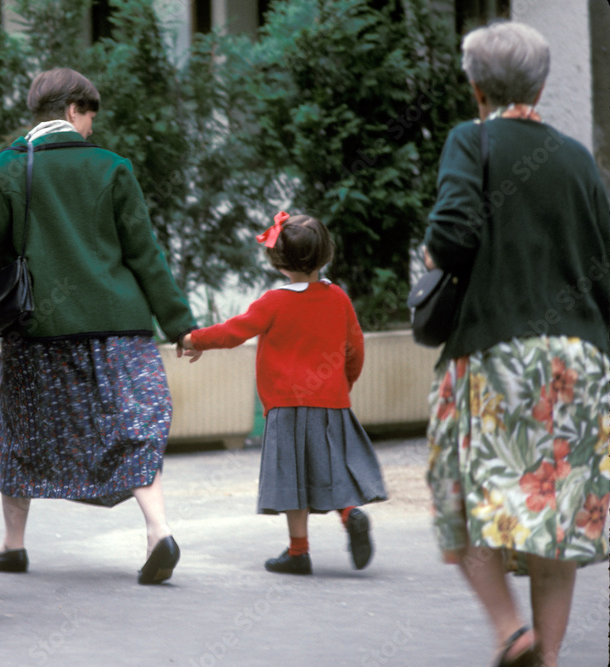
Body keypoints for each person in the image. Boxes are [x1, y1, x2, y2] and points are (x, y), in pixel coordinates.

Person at [0, 68, 196, 584]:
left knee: (22, 431)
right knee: (132, 424)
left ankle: (12, 545)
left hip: (39, 329)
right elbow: (145, 254)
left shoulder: (6, 170)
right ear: (72, 111)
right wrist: (179, 324)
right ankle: (158, 530)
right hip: (119, 326)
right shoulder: (112, 167)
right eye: (90, 116)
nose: (92, 128)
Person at [420, 21, 610, 667]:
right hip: (580, 360)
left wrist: (432, 249)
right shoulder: (578, 157)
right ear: (543, 82)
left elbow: (451, 233)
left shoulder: (471, 140)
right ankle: (548, 657)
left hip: (496, 351)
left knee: (469, 500)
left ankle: (511, 630)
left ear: (475, 86)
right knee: (553, 513)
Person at [178, 213, 387, 575]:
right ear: (325, 254)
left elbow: (233, 332)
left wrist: (194, 339)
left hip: (285, 406)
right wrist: (344, 385)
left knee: (293, 478)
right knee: (331, 467)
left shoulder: (273, 302)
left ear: (279, 261)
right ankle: (350, 513)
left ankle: (298, 551)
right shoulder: (338, 298)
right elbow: (355, 348)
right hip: (331, 401)